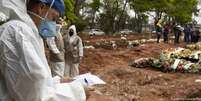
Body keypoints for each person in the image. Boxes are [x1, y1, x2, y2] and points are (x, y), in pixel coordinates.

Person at [0, 0, 86, 101]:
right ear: (41, 8)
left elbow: (36, 81)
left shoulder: (30, 33)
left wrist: (58, 81)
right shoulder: (17, 32)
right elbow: (35, 94)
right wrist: (79, 92)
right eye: (54, 18)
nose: (54, 24)